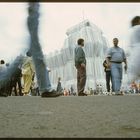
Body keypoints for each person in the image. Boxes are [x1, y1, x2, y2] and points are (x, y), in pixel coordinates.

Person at [27, 3, 62, 97]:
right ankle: (46, 89)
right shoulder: (32, 15)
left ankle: (45, 89)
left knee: (40, 61)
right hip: (33, 26)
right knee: (39, 60)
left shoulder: (32, 15)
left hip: (33, 27)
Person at [128, 16, 140, 82]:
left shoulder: (131, 32)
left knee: (131, 80)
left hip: (134, 59)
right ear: (138, 21)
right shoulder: (138, 28)